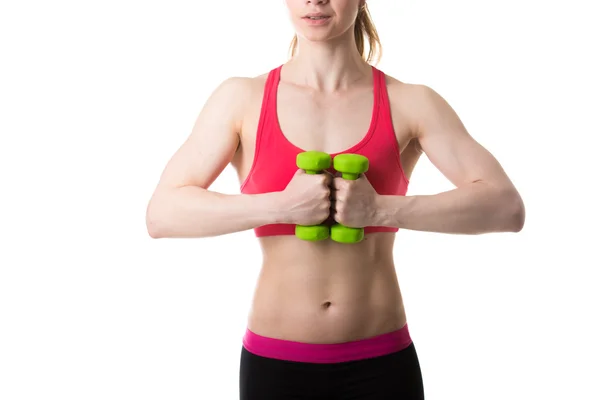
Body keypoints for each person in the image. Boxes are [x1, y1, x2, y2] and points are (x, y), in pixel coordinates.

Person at [145, 0, 526, 398]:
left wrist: (379, 209)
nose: (316, 0)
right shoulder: (241, 98)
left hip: (381, 360)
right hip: (277, 364)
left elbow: (506, 206)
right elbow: (162, 214)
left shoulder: (411, 101)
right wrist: (280, 206)